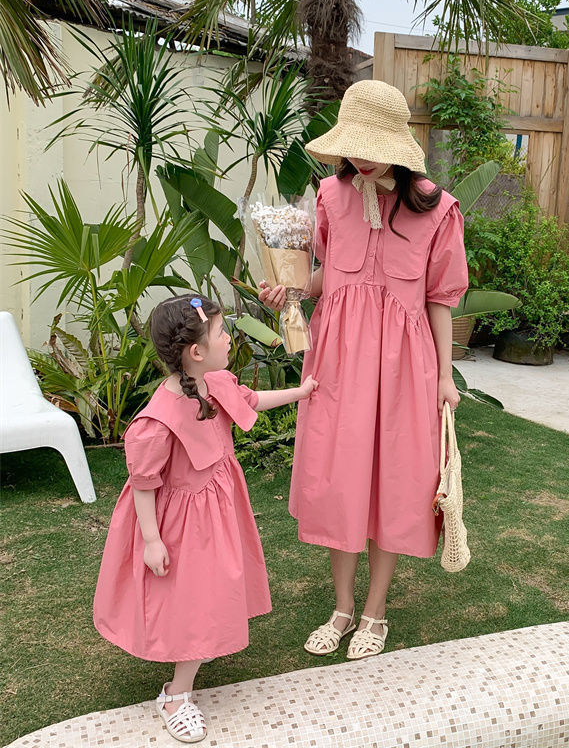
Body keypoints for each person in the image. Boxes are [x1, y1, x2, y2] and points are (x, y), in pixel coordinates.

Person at [259, 79, 468, 660]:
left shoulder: (437, 207)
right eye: (352, 144)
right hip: (340, 358)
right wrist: (291, 289)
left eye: (369, 144)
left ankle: (375, 612)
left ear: (398, 143)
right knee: (340, 480)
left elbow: (441, 299)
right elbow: (330, 277)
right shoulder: (328, 197)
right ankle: (343, 606)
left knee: (395, 484)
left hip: (405, 366)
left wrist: (445, 378)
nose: (359, 156)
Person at [93, 294, 317, 743]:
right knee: (189, 601)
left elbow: (251, 398)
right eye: (221, 333)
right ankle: (176, 695)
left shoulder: (214, 382)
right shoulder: (157, 421)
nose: (230, 338)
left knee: (210, 592)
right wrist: (153, 540)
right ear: (196, 352)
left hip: (213, 514)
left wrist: (301, 392)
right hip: (181, 527)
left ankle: (195, 655)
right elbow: (143, 483)